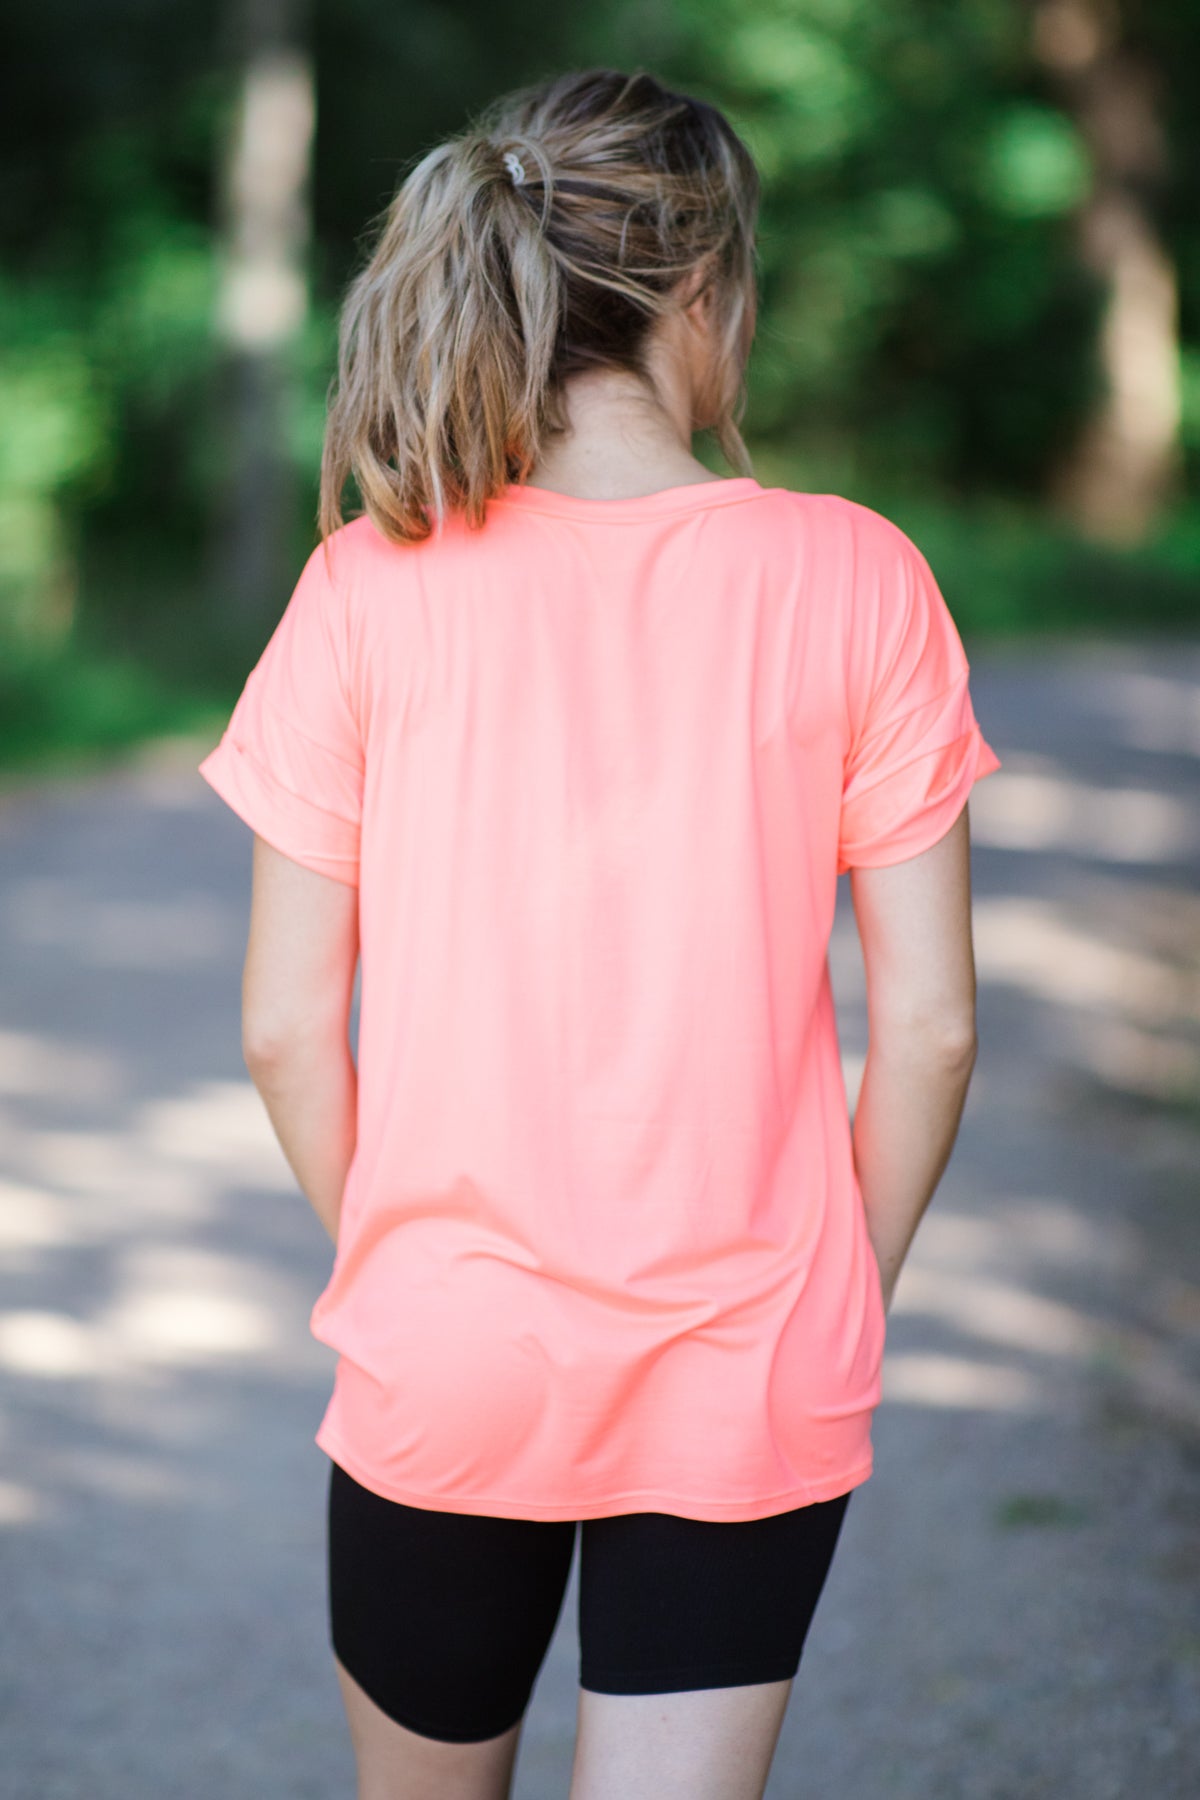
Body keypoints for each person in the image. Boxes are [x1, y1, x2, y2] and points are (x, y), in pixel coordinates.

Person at [197, 65, 1001, 1800]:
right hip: (747, 1358)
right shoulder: (860, 575)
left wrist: (409, 1264)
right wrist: (829, 1284)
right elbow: (929, 1026)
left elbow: (281, 1024)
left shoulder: (366, 583)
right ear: (699, 288)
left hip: (451, 1354)